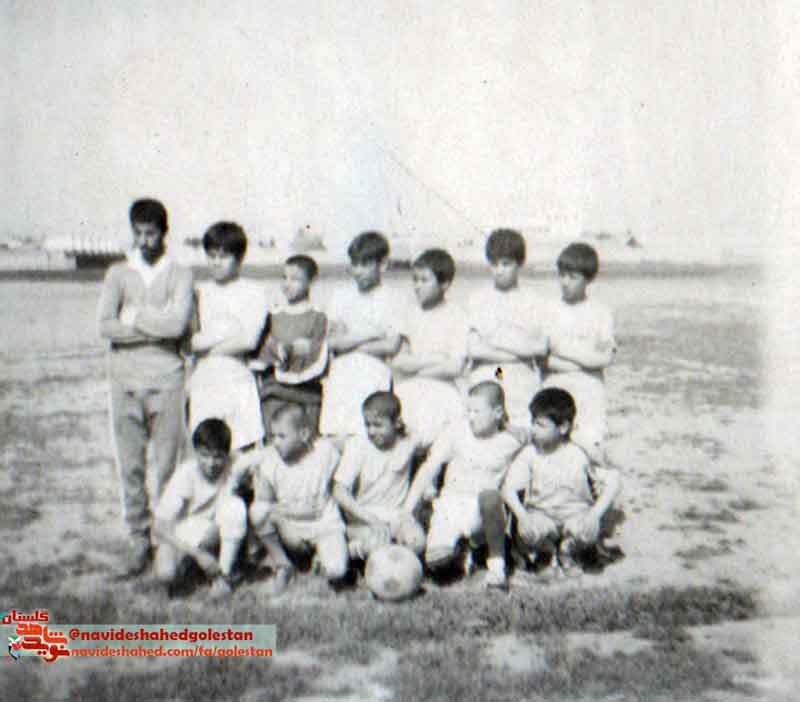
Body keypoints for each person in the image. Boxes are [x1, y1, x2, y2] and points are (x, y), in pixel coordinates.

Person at [97, 198, 193, 576]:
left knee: (168, 466)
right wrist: (156, 326)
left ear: (164, 233)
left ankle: (166, 542)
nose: (143, 240)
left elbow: (178, 326)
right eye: (137, 233)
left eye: (150, 233)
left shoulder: (180, 274)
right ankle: (138, 541)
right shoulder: (118, 274)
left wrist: (134, 317)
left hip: (167, 381)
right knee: (131, 467)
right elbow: (106, 326)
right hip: (124, 383)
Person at [405, 381, 523, 589]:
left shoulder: (511, 440)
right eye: (468, 411)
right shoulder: (456, 432)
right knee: (437, 562)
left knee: (490, 496)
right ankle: (464, 551)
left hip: (485, 510)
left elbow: (533, 436)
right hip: (451, 504)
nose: (471, 416)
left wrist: (512, 428)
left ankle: (497, 568)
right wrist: (407, 509)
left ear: (497, 413)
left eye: (477, 411)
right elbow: (429, 468)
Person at [501, 388, 621, 579]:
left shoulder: (579, 453)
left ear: (563, 428)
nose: (533, 429)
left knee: (589, 529)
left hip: (574, 516)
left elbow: (614, 480)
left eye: (540, 425)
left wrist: (594, 514)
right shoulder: (529, 454)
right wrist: (522, 516)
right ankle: (546, 553)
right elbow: (508, 489)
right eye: (533, 423)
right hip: (542, 516)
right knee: (526, 530)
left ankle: (569, 552)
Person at [235, 403, 348, 594]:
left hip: (325, 526)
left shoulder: (324, 452)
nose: (276, 442)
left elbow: (351, 443)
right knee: (258, 511)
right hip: (291, 530)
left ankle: (321, 558)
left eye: (282, 436)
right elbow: (262, 499)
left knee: (336, 571)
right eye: (273, 436)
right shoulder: (270, 460)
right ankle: (283, 564)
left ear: (304, 434)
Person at [189, 222, 267, 452]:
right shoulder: (199, 291)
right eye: (211, 255)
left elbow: (249, 341)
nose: (216, 262)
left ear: (239, 258)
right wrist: (228, 331)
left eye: (223, 257)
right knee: (206, 449)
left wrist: (206, 346)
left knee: (242, 448)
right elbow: (190, 342)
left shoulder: (253, 292)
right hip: (204, 380)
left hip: (237, 376)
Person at [320, 231, 404, 441]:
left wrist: (349, 342)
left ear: (383, 265)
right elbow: (333, 342)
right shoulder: (341, 296)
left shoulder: (394, 299)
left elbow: (391, 346)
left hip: (372, 375)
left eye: (365, 265)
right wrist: (371, 334)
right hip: (341, 376)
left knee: (366, 437)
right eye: (354, 264)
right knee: (336, 437)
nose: (357, 271)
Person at [153, 419, 247, 596]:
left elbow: (263, 457)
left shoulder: (235, 462)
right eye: (205, 455)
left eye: (218, 456)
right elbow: (159, 526)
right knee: (166, 574)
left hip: (215, 527)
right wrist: (198, 555)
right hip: (183, 531)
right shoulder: (186, 473)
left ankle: (223, 576)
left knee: (235, 507)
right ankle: (194, 564)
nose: (211, 463)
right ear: (195, 452)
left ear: (227, 454)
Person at [541, 242, 616, 463]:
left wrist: (562, 349)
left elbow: (604, 358)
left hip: (589, 392)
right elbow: (543, 359)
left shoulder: (600, 313)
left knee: (590, 448)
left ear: (588, 279)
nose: (565, 282)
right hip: (556, 386)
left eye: (573, 277)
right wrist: (585, 360)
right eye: (562, 275)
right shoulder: (548, 310)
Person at [333, 392, 428, 561]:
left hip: (397, 516)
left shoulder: (409, 440)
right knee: (379, 547)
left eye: (378, 425)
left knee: (417, 542)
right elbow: (339, 491)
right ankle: (352, 552)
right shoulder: (358, 445)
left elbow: (431, 451)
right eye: (367, 424)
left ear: (397, 423)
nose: (371, 431)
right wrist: (371, 519)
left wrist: (429, 486)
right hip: (364, 518)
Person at [467, 229, 548, 427]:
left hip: (521, 375)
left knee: (522, 426)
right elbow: (474, 349)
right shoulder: (478, 300)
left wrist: (497, 343)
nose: (499, 270)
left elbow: (541, 348)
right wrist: (520, 349)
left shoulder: (534, 301)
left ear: (519, 264)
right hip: (491, 371)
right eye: (494, 264)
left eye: (506, 264)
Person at [393, 248, 468, 439]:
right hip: (409, 390)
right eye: (415, 279)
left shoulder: (457, 315)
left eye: (424, 280)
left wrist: (416, 369)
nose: (417, 286)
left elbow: (455, 367)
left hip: (442, 390)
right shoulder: (409, 313)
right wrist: (436, 359)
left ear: (445, 284)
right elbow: (398, 362)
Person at [251, 255, 328, 437]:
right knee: (276, 437)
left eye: (295, 279)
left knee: (305, 438)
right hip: (275, 392)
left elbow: (319, 349)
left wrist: (300, 349)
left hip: (306, 393)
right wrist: (276, 350)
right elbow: (262, 349)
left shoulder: (318, 316)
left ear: (310, 281)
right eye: (284, 278)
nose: (287, 284)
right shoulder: (274, 315)